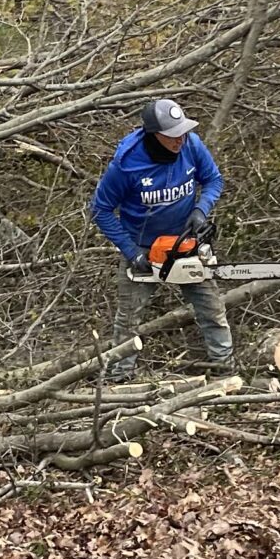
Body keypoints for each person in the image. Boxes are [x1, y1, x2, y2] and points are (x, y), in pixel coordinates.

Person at [90, 97, 234, 382]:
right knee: (128, 320)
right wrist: (132, 253)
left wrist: (200, 210)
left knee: (212, 308)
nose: (179, 139)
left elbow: (214, 179)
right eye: (172, 135)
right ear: (153, 134)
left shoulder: (191, 144)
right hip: (143, 246)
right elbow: (101, 210)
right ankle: (120, 377)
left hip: (185, 242)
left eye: (181, 132)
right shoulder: (126, 164)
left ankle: (224, 368)